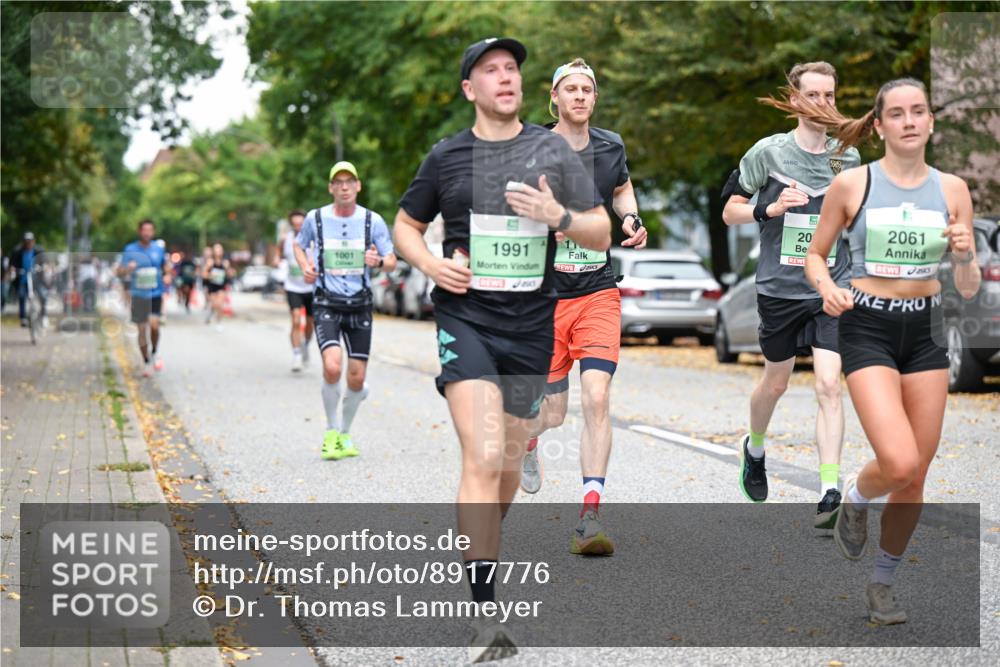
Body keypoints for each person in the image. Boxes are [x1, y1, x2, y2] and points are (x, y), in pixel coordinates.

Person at [393, 37, 610, 662]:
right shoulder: (447, 156)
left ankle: (479, 533)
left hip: (530, 326)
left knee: (508, 466)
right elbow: (406, 225)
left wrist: (557, 214)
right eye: (490, 70)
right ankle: (484, 618)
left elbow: (599, 230)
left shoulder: (552, 151)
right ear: (470, 89)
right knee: (484, 455)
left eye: (512, 68)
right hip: (466, 319)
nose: (505, 77)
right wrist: (431, 263)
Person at [789, 78, 980, 625]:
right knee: (898, 461)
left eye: (918, 111)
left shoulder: (953, 190)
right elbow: (816, 255)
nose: (909, 121)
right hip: (867, 326)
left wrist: (964, 255)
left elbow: (967, 288)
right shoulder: (853, 184)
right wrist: (827, 288)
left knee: (915, 476)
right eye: (896, 113)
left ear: (931, 122)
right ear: (879, 126)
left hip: (925, 330)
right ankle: (855, 498)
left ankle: (882, 583)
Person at [722, 62, 860, 528]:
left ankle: (829, 490)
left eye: (830, 95)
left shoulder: (848, 157)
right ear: (795, 99)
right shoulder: (768, 152)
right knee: (776, 383)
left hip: (830, 285)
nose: (823, 103)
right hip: (780, 288)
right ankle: (755, 447)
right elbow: (730, 212)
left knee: (829, 385)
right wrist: (770, 207)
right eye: (813, 95)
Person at [519, 58, 647, 556]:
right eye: (569, 89)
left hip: (597, 291)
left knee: (597, 398)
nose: (579, 96)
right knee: (552, 413)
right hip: (545, 299)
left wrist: (631, 218)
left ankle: (589, 515)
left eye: (586, 89)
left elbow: (621, 188)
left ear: (594, 97)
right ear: (554, 97)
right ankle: (528, 440)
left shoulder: (611, 145)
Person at [295, 161, 397, 460]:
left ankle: (345, 433)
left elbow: (391, 260)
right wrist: (305, 266)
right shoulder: (315, 218)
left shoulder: (372, 221)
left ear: (358, 186)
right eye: (338, 182)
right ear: (330, 188)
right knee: (332, 367)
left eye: (349, 182)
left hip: (359, 304)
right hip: (326, 301)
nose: (343, 187)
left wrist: (378, 261)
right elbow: (299, 246)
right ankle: (330, 431)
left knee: (355, 377)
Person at [119, 220, 171, 377]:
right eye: (144, 230)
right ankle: (146, 361)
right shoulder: (130, 249)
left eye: (150, 230)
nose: (147, 233)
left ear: (153, 232)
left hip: (155, 293)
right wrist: (128, 268)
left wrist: (168, 275)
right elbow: (120, 271)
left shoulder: (158, 249)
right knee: (141, 329)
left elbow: (166, 267)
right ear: (139, 231)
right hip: (138, 295)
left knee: (154, 326)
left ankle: (154, 351)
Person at [282, 210, 315, 372]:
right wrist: (276, 260)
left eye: (300, 224)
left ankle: (305, 345)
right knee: (295, 320)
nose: (297, 227)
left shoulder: (314, 238)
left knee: (310, 323)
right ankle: (296, 355)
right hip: (292, 287)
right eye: (294, 224)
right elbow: (279, 254)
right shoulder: (286, 239)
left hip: (311, 287)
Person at [10, 232, 47, 327]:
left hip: (37, 279)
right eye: (26, 241)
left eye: (30, 241)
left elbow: (44, 262)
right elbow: (13, 264)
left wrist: (43, 267)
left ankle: (44, 315)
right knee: (22, 296)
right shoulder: (18, 251)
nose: (28, 243)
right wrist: (14, 270)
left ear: (33, 241)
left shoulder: (38, 251)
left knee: (43, 295)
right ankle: (23, 318)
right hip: (23, 279)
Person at [202, 243, 232, 330]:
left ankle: (219, 322)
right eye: (216, 250)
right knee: (214, 304)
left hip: (221, 286)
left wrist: (228, 269)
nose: (218, 251)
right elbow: (204, 274)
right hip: (212, 286)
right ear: (214, 251)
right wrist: (211, 276)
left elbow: (230, 274)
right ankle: (210, 313)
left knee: (220, 304)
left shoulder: (225, 262)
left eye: (220, 250)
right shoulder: (210, 262)